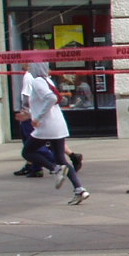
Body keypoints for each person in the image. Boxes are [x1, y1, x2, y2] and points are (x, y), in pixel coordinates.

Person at [24, 62, 89, 205]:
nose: (28, 68)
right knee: (61, 159)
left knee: (27, 152)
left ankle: (55, 169)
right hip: (57, 125)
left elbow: (51, 98)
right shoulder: (47, 80)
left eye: (30, 66)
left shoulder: (37, 81)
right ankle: (79, 189)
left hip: (47, 126)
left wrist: (37, 117)